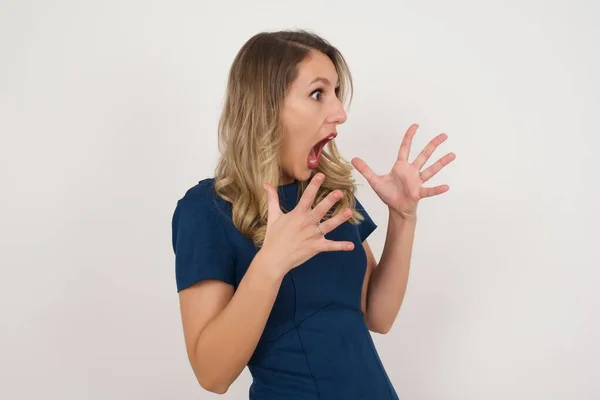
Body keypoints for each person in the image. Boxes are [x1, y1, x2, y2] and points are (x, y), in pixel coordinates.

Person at [171, 29, 455, 399]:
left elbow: (377, 316)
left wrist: (403, 217)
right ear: (266, 106)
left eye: (336, 93)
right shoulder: (207, 209)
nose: (339, 112)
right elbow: (212, 375)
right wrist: (271, 263)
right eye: (318, 93)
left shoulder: (328, 195)